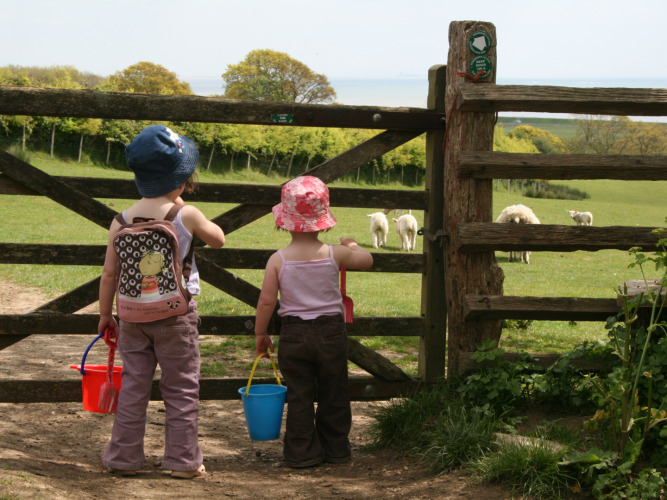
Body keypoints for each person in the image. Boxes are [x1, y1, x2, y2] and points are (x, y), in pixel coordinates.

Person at [98, 125, 225, 479]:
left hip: (132, 317)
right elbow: (219, 240)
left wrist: (105, 314)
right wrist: (184, 206)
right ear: (182, 179)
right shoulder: (187, 215)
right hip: (176, 317)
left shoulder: (120, 219)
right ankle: (183, 462)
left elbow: (109, 274)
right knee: (181, 388)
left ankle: (123, 458)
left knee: (134, 387)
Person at [254, 175, 373, 468]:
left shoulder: (278, 259)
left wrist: (260, 332)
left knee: (299, 396)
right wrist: (354, 244)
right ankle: (336, 451)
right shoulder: (335, 253)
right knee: (334, 392)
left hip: (294, 334)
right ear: (324, 220)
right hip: (331, 333)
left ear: (283, 221)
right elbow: (367, 260)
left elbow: (267, 301)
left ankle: (302, 454)